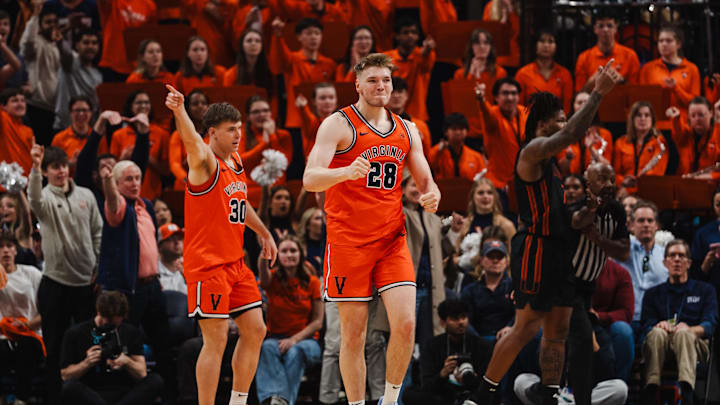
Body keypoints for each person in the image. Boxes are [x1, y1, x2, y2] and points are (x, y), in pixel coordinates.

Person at [473, 60, 621, 405]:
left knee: (559, 328)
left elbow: (561, 218)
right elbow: (571, 133)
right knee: (526, 327)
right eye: (559, 118)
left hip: (558, 249)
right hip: (535, 249)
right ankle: (482, 394)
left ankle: (549, 392)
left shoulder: (552, 165)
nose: (565, 122)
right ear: (543, 125)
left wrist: (587, 212)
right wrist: (597, 93)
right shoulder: (532, 152)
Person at [303, 53, 441, 405]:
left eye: (386, 80)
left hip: (391, 241)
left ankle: (390, 399)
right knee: (353, 336)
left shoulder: (408, 130)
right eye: (374, 80)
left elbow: (427, 181)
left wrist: (432, 195)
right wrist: (344, 172)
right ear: (358, 84)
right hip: (348, 242)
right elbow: (310, 179)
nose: (381, 86)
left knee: (406, 324)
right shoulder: (338, 124)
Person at [165, 83, 278, 405]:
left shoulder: (236, 162)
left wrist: (263, 231)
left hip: (236, 264)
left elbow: (240, 203)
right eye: (231, 130)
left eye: (240, 129)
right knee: (214, 342)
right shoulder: (204, 162)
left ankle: (238, 401)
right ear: (212, 133)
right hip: (208, 265)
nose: (238, 135)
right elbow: (190, 142)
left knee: (256, 330)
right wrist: (179, 110)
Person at [28, 143, 103, 401]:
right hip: (55, 284)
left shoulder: (87, 195)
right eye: (54, 167)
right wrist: (35, 167)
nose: (60, 171)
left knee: (86, 345)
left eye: (63, 165)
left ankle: (84, 397)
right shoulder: (44, 197)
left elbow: (97, 232)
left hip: (85, 284)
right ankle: (53, 398)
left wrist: (96, 264)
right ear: (46, 172)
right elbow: (34, 199)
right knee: (54, 345)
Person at [565, 162, 630, 405]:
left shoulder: (617, 210)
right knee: (581, 340)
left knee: (583, 344)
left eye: (611, 179)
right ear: (588, 184)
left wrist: (600, 240)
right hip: (565, 284)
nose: (609, 184)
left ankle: (568, 395)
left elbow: (623, 253)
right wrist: (591, 210)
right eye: (602, 179)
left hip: (586, 289)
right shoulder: (576, 205)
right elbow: (577, 222)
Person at [641, 240, 717, 405]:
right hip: (661, 344)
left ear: (689, 263)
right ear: (664, 262)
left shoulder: (705, 291)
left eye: (681, 256)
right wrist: (658, 325)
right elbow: (645, 324)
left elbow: (710, 325)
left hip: (695, 346)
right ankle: (651, 389)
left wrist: (691, 329)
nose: (677, 260)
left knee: (684, 333)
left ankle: (687, 392)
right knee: (656, 333)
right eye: (672, 256)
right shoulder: (652, 294)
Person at [59, 291, 164, 405]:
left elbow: (142, 373)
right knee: (68, 388)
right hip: (91, 391)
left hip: (124, 392)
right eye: (106, 320)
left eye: (114, 322)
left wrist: (127, 361)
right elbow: (65, 375)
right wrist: (86, 363)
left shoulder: (131, 332)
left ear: (122, 317)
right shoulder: (76, 333)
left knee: (156, 380)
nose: (107, 324)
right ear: (98, 311)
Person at [256, 236, 324, 405]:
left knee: (295, 352)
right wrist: (265, 254)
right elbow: (263, 278)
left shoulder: (313, 282)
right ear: (277, 255)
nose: (289, 255)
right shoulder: (273, 279)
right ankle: (277, 401)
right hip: (276, 339)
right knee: (266, 348)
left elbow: (318, 322)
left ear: (301, 254)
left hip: (307, 341)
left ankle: (284, 401)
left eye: (293, 250)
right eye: (284, 251)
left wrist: (294, 340)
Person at [403, 299, 492, 405]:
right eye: (455, 319)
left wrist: (471, 379)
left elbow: (487, 382)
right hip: (444, 394)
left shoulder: (481, 345)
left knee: (489, 393)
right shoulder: (432, 345)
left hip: (474, 392)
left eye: (463, 317)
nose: (461, 322)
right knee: (410, 394)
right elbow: (427, 384)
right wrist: (443, 374)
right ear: (442, 322)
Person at [514, 324, 628, 405]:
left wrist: (593, 346)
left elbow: (608, 373)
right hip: (556, 392)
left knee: (620, 388)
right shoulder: (553, 331)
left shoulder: (597, 332)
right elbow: (541, 369)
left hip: (588, 394)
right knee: (521, 380)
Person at [403, 174, 447, 350]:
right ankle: (402, 380)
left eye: (423, 186)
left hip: (431, 289)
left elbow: (440, 252)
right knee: (404, 342)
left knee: (429, 345)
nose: (419, 190)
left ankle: (427, 378)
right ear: (402, 189)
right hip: (408, 290)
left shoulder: (434, 219)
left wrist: (454, 233)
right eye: (414, 185)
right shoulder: (399, 213)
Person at [0, 231, 44, 404]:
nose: (5, 251)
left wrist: (27, 326)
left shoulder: (32, 273)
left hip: (30, 332)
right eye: (1, 247)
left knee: (26, 347)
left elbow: (47, 311)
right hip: (3, 334)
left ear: (16, 250)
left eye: (9, 246)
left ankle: (21, 399)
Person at [269, 17, 336, 128]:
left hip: (324, 121)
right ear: (299, 37)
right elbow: (277, 61)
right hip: (297, 120)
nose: (313, 37)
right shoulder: (292, 60)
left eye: (317, 33)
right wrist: (277, 34)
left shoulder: (329, 64)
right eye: (308, 33)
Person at [109, 90, 171, 200]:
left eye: (146, 103)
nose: (143, 106)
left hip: (153, 195)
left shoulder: (161, 134)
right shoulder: (118, 135)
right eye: (139, 103)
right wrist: (123, 159)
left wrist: (143, 153)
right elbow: (111, 171)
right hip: (124, 195)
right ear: (130, 106)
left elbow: (167, 171)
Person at [617, 201, 669, 328]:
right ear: (631, 225)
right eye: (641, 220)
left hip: (657, 321)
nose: (646, 224)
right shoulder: (620, 252)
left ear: (656, 225)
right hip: (627, 318)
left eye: (650, 221)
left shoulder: (666, 256)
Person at [19, 1, 61, 144]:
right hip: (37, 106)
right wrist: (35, 15)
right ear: (40, 24)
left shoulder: (57, 45)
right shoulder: (36, 44)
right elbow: (27, 44)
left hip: (56, 109)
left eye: (55, 21)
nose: (52, 25)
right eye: (48, 22)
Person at [475, 77, 526, 191]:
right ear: (496, 97)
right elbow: (486, 113)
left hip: (522, 180)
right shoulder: (493, 113)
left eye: (514, 93)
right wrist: (481, 100)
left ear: (519, 96)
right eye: (505, 93)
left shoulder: (524, 113)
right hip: (498, 184)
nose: (510, 98)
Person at [639, 25, 700, 116]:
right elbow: (641, 99)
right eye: (660, 41)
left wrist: (676, 88)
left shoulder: (691, 69)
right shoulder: (648, 69)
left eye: (668, 41)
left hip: (683, 123)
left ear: (678, 44)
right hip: (655, 121)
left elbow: (695, 103)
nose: (664, 44)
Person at [461, 240, 514, 342]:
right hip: (478, 341)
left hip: (510, 339)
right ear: (481, 261)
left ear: (506, 261)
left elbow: (520, 315)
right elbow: (465, 320)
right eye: (491, 257)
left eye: (499, 257)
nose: (495, 261)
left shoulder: (515, 287)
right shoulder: (470, 290)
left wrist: (510, 327)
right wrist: (478, 341)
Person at [574, 11, 640, 93]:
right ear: (595, 29)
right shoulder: (584, 58)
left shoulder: (630, 55)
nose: (605, 30)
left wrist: (621, 80)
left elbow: (636, 92)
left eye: (609, 25)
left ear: (616, 28)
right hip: (594, 105)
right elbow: (579, 95)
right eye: (601, 26)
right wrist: (592, 80)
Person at [385, 16, 435, 122]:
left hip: (416, 117)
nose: (410, 36)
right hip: (390, 116)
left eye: (413, 32)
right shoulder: (386, 58)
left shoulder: (424, 55)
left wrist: (427, 50)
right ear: (397, 36)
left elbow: (426, 63)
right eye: (406, 32)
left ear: (418, 36)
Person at [592, 259, 635, 382]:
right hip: (572, 320)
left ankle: (618, 385)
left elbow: (626, 313)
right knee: (542, 330)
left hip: (605, 324)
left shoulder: (620, 273)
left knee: (623, 331)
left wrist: (599, 316)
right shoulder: (571, 268)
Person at [53, 28, 102, 132]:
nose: (90, 46)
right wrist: (61, 42)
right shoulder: (70, 64)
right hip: (63, 128)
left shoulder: (99, 75)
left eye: (94, 43)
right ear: (77, 45)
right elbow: (65, 53)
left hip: (87, 131)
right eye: (86, 42)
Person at [613, 101, 668, 190]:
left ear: (652, 119)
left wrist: (637, 183)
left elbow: (658, 173)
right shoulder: (620, 142)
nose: (643, 119)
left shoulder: (660, 142)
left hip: (649, 190)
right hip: (623, 189)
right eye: (638, 115)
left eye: (647, 115)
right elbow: (615, 173)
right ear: (632, 119)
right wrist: (622, 181)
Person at [515, 29, 573, 113]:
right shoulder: (523, 73)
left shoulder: (565, 74)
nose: (546, 45)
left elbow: (567, 108)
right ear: (535, 45)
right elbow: (518, 107)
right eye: (542, 41)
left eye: (550, 41)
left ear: (557, 46)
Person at [96, 0, 155, 81]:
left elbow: (150, 36)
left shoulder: (149, 5)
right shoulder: (113, 3)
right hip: (112, 64)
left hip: (137, 67)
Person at [557, 92, 613, 176]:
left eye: (587, 103)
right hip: (569, 183)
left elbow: (608, 170)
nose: (583, 105)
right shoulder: (562, 133)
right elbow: (559, 170)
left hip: (595, 182)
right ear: (573, 106)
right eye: (579, 102)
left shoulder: (605, 134)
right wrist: (568, 157)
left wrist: (591, 149)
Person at [666, 97, 720, 176]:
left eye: (701, 115)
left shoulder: (717, 134)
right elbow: (678, 132)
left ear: (711, 113)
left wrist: (712, 176)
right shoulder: (686, 136)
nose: (697, 119)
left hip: (711, 185)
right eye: (693, 115)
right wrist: (676, 118)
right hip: (686, 183)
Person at [169, 89, 210, 191]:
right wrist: (189, 181)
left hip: (210, 185)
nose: (200, 106)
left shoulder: (214, 132)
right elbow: (175, 165)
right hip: (185, 186)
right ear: (187, 108)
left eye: (204, 103)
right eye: (195, 104)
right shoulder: (178, 135)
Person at [428, 113, 486, 181]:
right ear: (446, 132)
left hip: (469, 190)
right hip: (443, 190)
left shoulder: (476, 157)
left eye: (461, 129)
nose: (458, 132)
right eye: (454, 129)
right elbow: (428, 164)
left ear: (467, 131)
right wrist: (438, 150)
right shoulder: (438, 152)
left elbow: (483, 179)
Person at [457, 178, 516, 246]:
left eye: (489, 193)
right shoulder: (464, 224)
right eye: (480, 193)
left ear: (495, 197)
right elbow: (457, 252)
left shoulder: (506, 225)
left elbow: (513, 254)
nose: (485, 196)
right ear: (473, 197)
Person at [388, 77, 431, 158]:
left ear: (406, 95)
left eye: (400, 92)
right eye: (392, 92)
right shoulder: (377, 124)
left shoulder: (421, 126)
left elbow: (427, 156)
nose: (396, 95)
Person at [453, 28, 507, 93]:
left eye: (486, 43)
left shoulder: (500, 73)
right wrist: (471, 74)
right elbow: (461, 96)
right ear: (471, 47)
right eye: (477, 43)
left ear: (491, 47)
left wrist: (478, 76)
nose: (482, 46)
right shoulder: (459, 74)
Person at [223, 28, 274, 96]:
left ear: (262, 46)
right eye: (249, 41)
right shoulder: (230, 74)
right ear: (242, 45)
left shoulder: (270, 71)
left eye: (257, 41)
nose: (253, 44)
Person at [52, 95, 96, 171]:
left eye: (85, 110)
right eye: (77, 110)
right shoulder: (59, 138)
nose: (81, 114)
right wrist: (69, 164)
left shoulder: (97, 137)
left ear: (91, 113)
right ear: (70, 113)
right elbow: (52, 166)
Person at [297, 82, 337, 157]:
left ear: (336, 100)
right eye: (322, 98)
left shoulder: (342, 122)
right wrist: (303, 108)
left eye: (331, 97)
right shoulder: (312, 123)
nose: (327, 101)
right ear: (314, 101)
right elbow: (307, 117)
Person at [0, 87, 34, 174]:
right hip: (5, 183)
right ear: (3, 106)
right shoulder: (4, 120)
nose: (20, 104)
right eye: (14, 101)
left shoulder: (28, 131)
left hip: (26, 182)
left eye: (23, 101)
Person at [0, 191, 35, 266]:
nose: (4, 209)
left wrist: (18, 189)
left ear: (18, 210)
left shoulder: (21, 232)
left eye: (10, 206)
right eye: (1, 206)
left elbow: (26, 213)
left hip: (29, 276)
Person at [482, 0, 520, 68]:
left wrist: (511, 12)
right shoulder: (490, 7)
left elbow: (518, 33)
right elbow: (487, 35)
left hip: (515, 58)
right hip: (496, 59)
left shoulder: (520, 6)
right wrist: (503, 21)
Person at [157, 222, 185, 295]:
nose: (177, 242)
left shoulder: (191, 267)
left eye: (179, 238)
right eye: (170, 239)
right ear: (159, 246)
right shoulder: (154, 273)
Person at [0, 10, 25, 90]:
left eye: (5, 24)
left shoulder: (16, 53)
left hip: (17, 100)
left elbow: (25, 81)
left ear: (10, 28)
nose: (2, 27)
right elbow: (15, 66)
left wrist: (27, 88)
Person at [297, 207, 325, 274]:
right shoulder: (299, 246)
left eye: (323, 218)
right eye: (318, 218)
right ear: (307, 225)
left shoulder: (330, 245)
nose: (323, 222)